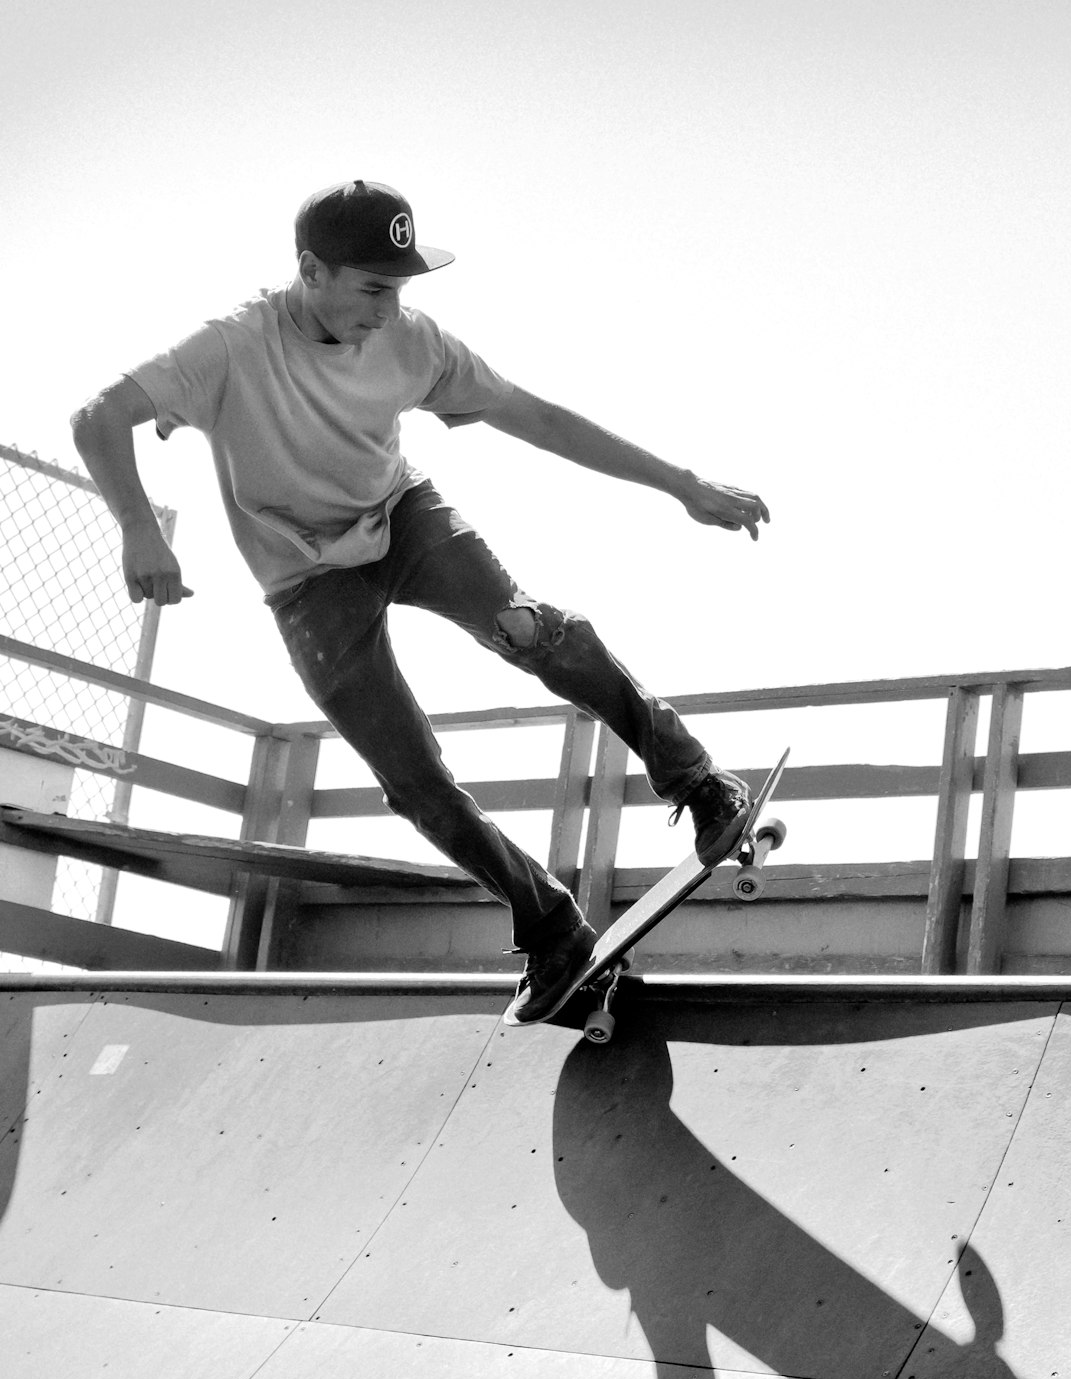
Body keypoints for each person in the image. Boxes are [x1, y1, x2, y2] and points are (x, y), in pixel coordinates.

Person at [71, 179, 768, 1021]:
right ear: (310, 271)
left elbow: (539, 418)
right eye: (372, 288)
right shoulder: (230, 347)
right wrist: (138, 528)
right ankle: (551, 930)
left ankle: (696, 781)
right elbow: (100, 415)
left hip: (402, 517)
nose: (388, 310)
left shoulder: (413, 343)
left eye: (400, 289)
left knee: (525, 629)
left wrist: (681, 484)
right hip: (305, 581)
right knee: (411, 779)